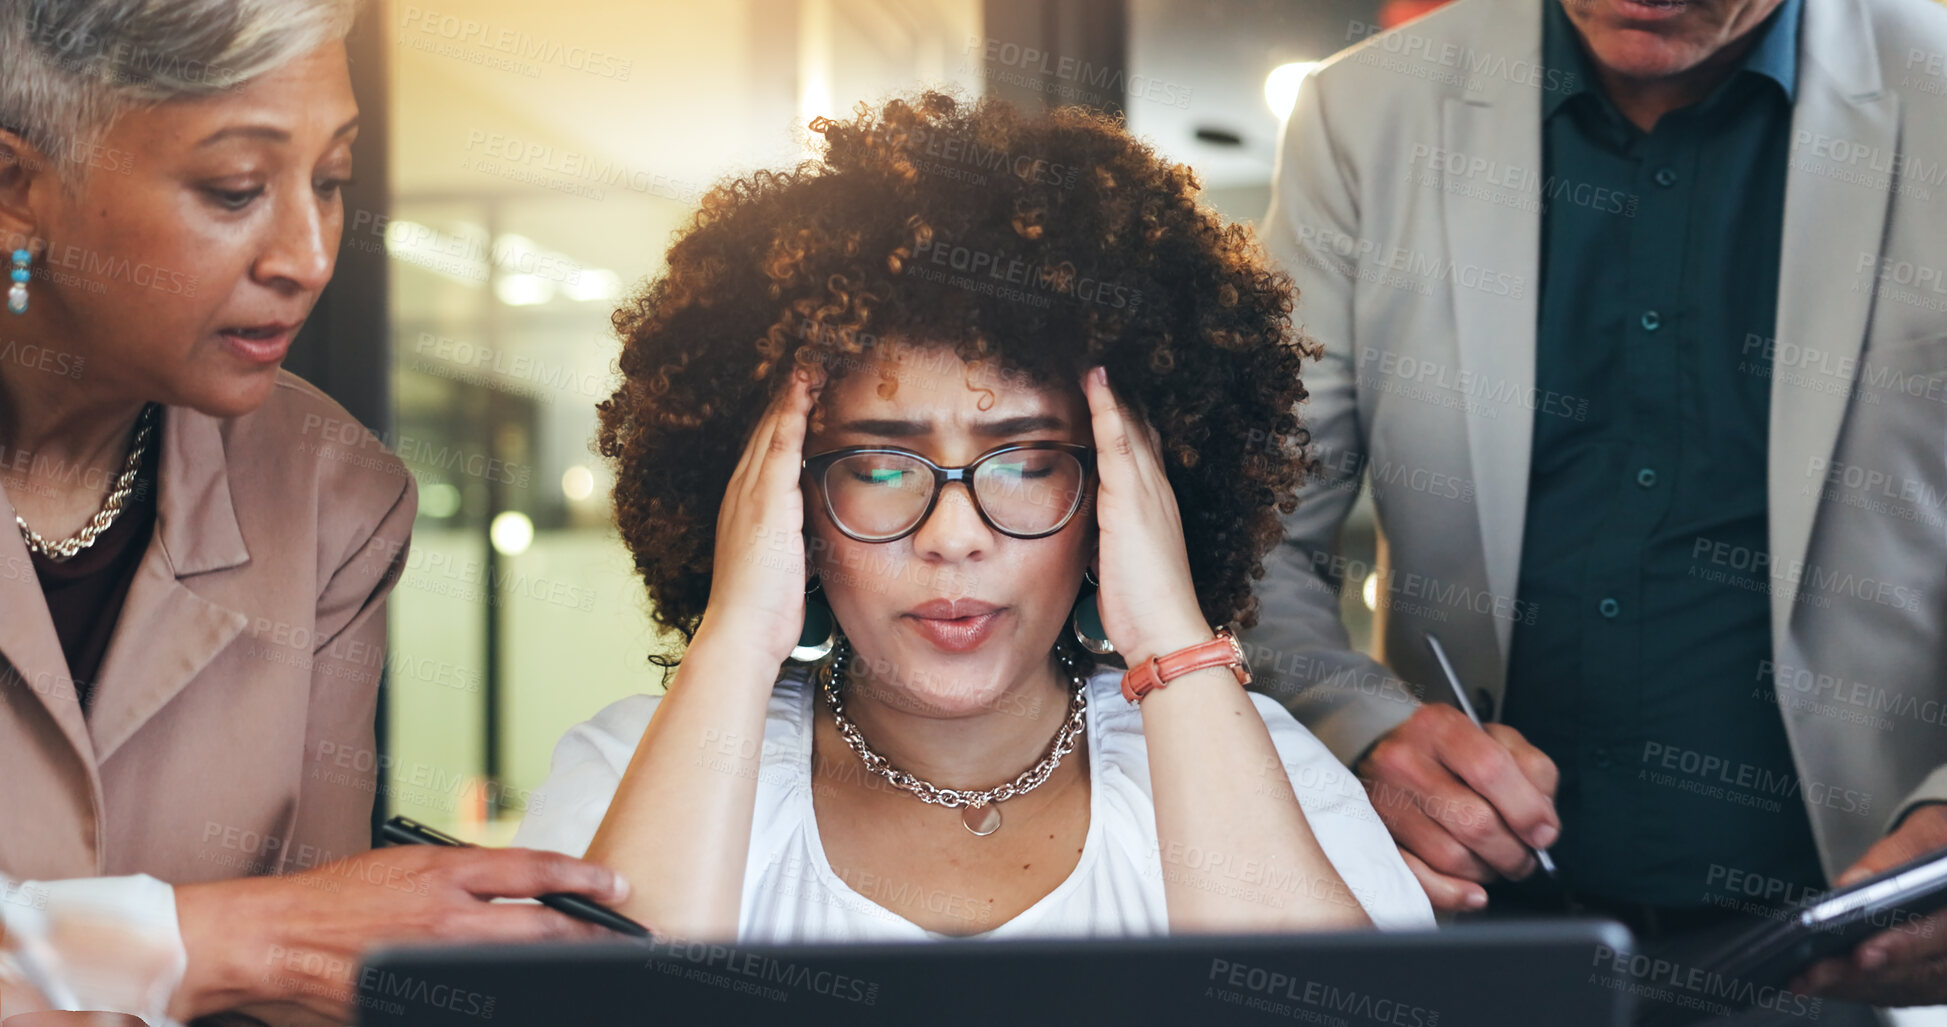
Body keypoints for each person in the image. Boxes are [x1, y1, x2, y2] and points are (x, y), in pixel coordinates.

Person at [512, 91, 1434, 942]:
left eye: (1028, 460)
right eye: (878, 465)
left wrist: (1170, 635)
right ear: (781, 496)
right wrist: (733, 638)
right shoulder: (633, 766)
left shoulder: (1257, 764)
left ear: (1126, 496)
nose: (953, 534)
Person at [1246, 0, 1947, 1019]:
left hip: (1857, 970)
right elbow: (1251, 537)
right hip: (1472, 954)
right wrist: (1360, 730)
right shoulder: (1364, 116)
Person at [0, 3, 627, 1023]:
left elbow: (314, 979)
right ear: (16, 189)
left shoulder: (336, 494)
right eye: (235, 188)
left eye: (331, 182)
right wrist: (233, 935)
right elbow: (296, 937)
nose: (308, 254)